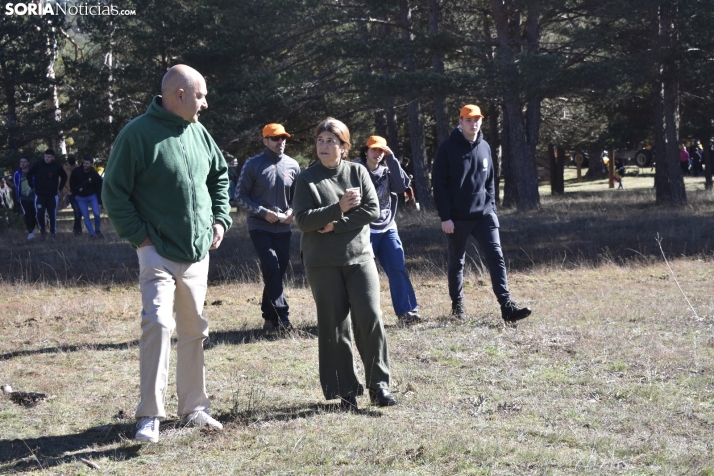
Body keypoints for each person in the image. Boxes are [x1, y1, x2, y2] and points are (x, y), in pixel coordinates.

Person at [102, 64, 232, 443]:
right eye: (201, 95)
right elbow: (114, 192)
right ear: (179, 95)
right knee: (157, 324)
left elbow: (219, 176)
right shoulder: (136, 134)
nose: (205, 103)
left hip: (197, 254)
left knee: (194, 330)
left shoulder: (199, 132)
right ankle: (149, 415)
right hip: (155, 252)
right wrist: (141, 238)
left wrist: (220, 220)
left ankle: (194, 409)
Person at [294, 117, 397, 410]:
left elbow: (372, 209)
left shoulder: (357, 172)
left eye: (331, 141)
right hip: (322, 263)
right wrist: (338, 208)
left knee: (370, 319)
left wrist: (337, 224)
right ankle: (343, 392)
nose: (324, 146)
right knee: (334, 326)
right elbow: (303, 220)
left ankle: (379, 386)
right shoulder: (306, 178)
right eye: (320, 140)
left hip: (359, 258)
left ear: (344, 146)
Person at [432, 104, 531, 323]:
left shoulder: (485, 146)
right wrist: (445, 217)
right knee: (457, 262)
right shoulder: (447, 149)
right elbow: (439, 186)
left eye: (476, 119)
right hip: (456, 218)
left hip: (484, 215)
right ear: (460, 122)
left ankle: (507, 307)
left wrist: (492, 210)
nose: (473, 123)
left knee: (496, 257)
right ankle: (457, 305)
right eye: (468, 119)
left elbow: (490, 182)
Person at [235, 123, 300, 332]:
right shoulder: (253, 164)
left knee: (277, 271)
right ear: (265, 141)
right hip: (259, 227)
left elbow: (298, 198)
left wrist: (292, 211)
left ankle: (268, 315)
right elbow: (239, 197)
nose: (280, 142)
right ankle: (283, 317)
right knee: (271, 265)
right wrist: (263, 212)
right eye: (275, 138)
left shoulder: (293, 165)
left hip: (283, 228)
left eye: (283, 138)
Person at [353, 135, 420, 324]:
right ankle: (361, 314)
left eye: (381, 150)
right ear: (366, 151)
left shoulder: (388, 170)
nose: (377, 153)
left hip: (388, 228)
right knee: (362, 274)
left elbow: (401, 187)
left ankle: (407, 311)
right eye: (373, 149)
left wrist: (391, 159)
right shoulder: (356, 170)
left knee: (398, 268)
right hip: (364, 230)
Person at [27, 149, 67, 238]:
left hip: (52, 195)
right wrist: (32, 186)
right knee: (39, 214)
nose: (47, 158)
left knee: (52, 214)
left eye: (49, 157)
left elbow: (64, 176)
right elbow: (29, 174)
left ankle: (53, 232)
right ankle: (42, 230)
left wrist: (60, 188)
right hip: (39, 194)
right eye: (45, 156)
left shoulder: (57, 166)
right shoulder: (38, 165)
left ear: (53, 157)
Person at [70, 156, 104, 239]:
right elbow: (72, 184)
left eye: (87, 163)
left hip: (92, 196)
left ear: (91, 164)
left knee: (96, 213)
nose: (85, 165)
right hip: (80, 197)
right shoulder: (76, 171)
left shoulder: (94, 174)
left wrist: (100, 202)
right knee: (86, 216)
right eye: (84, 163)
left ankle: (97, 230)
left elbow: (99, 187)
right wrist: (75, 193)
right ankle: (92, 234)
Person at [13, 158, 37, 239]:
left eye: (24, 162)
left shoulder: (33, 172)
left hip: (34, 197)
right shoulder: (17, 173)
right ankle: (30, 231)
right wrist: (17, 196)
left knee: (34, 214)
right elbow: (16, 185)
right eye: (21, 162)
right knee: (27, 214)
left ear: (28, 163)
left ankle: (39, 228)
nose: (23, 163)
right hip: (23, 198)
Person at [63, 155, 83, 235]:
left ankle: (76, 228)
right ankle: (78, 230)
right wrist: (67, 191)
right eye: (71, 165)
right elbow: (61, 182)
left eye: (74, 165)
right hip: (70, 193)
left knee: (80, 211)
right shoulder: (64, 170)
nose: (72, 167)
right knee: (77, 210)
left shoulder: (79, 168)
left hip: (79, 193)